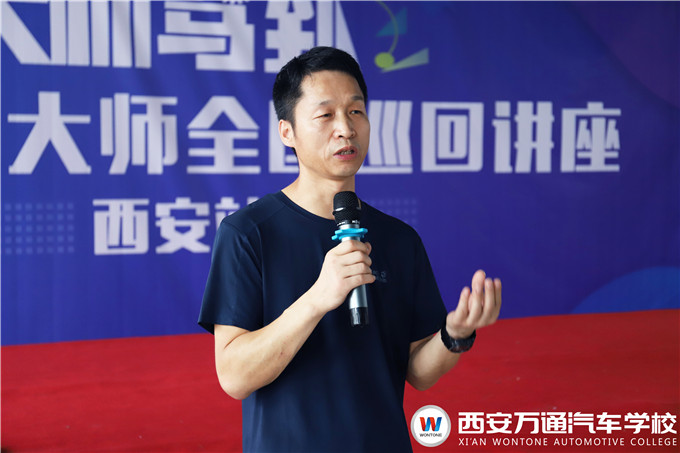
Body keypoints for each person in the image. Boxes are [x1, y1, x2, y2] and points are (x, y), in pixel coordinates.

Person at [198, 46, 502, 452]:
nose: (346, 128)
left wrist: (455, 335)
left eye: (356, 111)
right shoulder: (247, 233)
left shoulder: (399, 238)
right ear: (287, 132)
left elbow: (418, 372)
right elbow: (235, 377)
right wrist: (318, 299)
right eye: (325, 115)